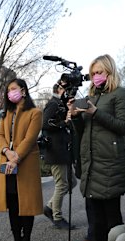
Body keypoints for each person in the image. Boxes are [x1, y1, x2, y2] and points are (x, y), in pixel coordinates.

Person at [67, 54, 125, 241]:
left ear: (109, 72)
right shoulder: (90, 96)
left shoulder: (120, 94)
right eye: (93, 73)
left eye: (100, 72)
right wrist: (75, 116)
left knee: (112, 219)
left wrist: (96, 112)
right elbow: (83, 131)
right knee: (96, 220)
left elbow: (124, 126)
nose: (95, 77)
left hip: (109, 164)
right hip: (91, 164)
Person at [0, 78, 43, 241]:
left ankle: (26, 239)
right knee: (12, 203)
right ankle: (16, 240)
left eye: (13, 89)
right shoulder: (6, 113)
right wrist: (6, 151)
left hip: (25, 163)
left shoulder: (35, 113)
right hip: (7, 162)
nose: (10, 93)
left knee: (25, 203)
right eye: (8, 90)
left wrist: (16, 156)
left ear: (23, 90)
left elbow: (30, 139)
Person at [41, 81, 76, 229]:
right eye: (68, 90)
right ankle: (57, 217)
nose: (71, 93)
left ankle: (49, 207)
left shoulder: (61, 104)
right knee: (62, 184)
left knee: (72, 182)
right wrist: (64, 122)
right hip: (55, 151)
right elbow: (45, 124)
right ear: (59, 89)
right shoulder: (53, 104)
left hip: (63, 150)